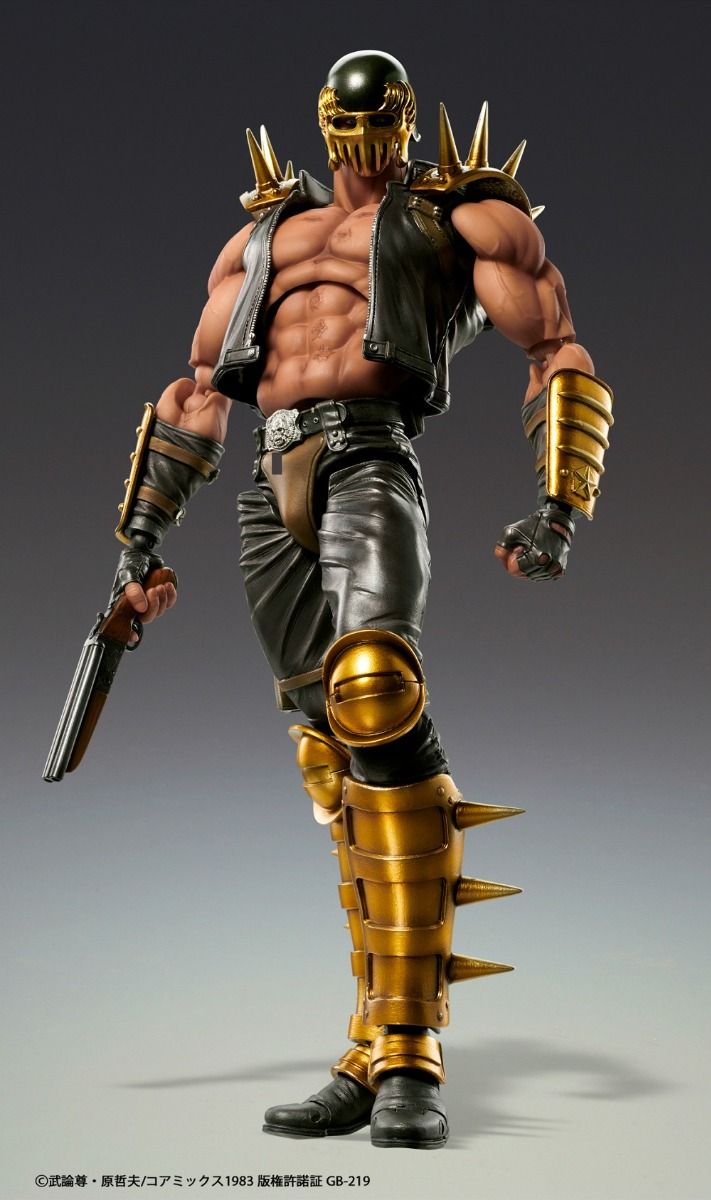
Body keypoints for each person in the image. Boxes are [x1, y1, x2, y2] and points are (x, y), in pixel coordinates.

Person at [110, 50, 613, 1149]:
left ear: (407, 120)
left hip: (369, 458)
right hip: (268, 483)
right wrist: (139, 541)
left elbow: (552, 342)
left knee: (377, 695)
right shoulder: (263, 239)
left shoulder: (458, 218)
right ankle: (370, 1042)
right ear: (326, 127)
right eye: (352, 126)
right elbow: (198, 389)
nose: (369, 144)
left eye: (384, 123)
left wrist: (559, 506)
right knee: (328, 759)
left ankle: (413, 1052)